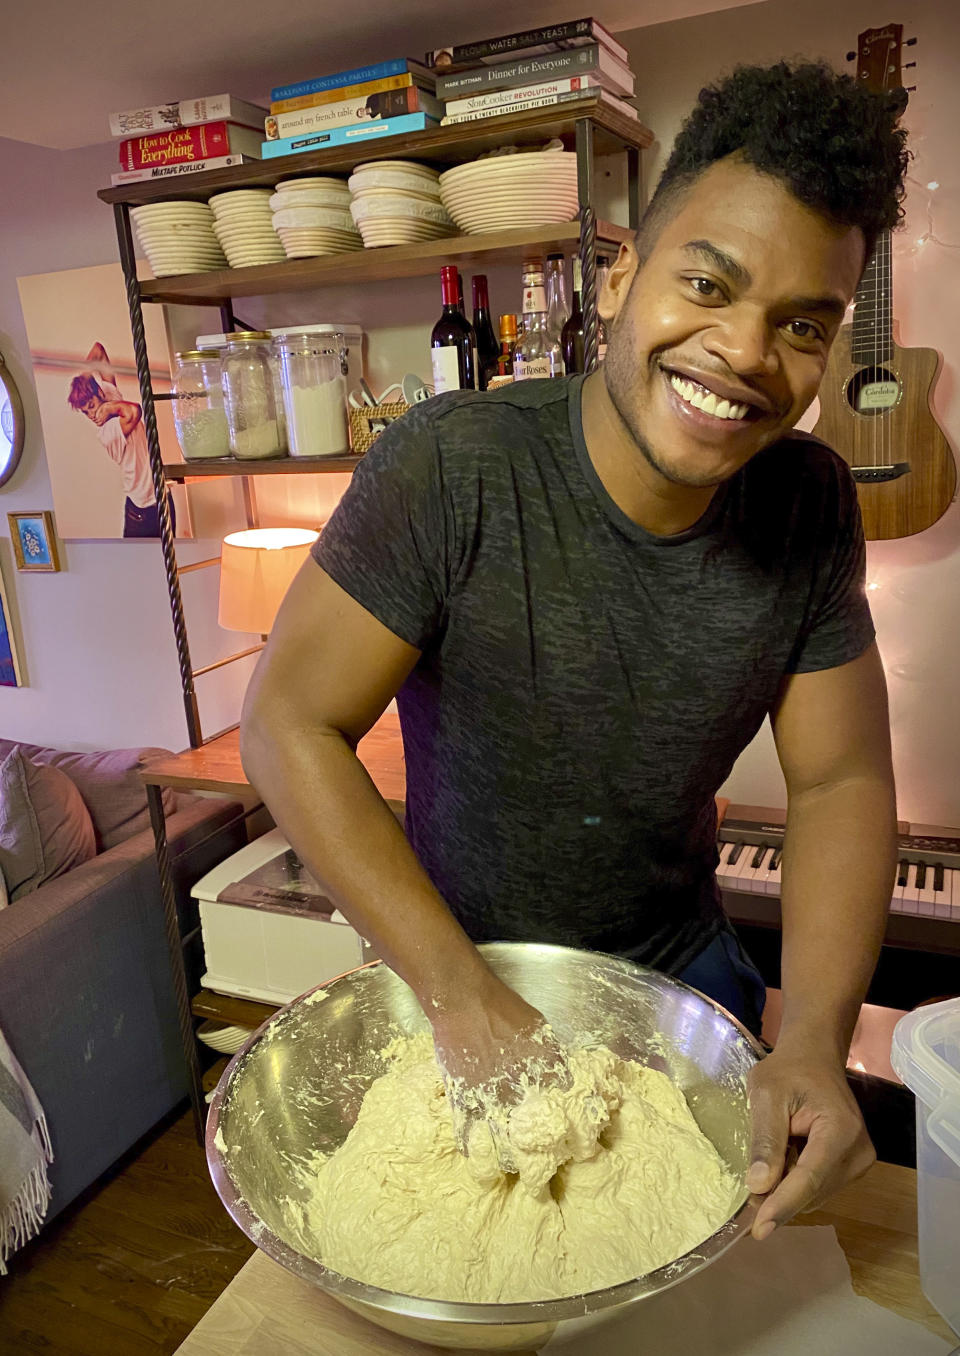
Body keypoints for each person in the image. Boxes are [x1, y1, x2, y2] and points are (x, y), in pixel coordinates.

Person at [241, 61, 906, 1242]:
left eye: (802, 326)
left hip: (682, 976)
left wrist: (808, 1040)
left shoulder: (807, 503)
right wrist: (457, 994)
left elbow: (840, 779)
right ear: (623, 274)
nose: (747, 352)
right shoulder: (454, 468)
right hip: (456, 965)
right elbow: (291, 724)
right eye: (709, 282)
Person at [67, 342, 175, 538]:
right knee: (137, 566)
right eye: (85, 412)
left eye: (91, 406)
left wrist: (83, 380)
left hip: (164, 500)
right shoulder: (108, 432)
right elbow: (134, 411)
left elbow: (99, 351)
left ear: (101, 393)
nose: (92, 415)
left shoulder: (111, 398)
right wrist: (106, 407)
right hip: (140, 512)